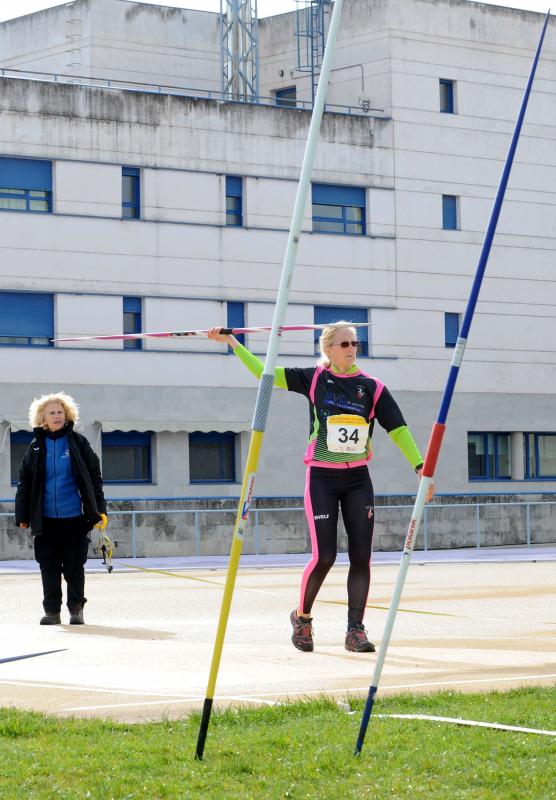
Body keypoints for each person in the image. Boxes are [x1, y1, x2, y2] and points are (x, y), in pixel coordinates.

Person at [207, 322, 434, 654]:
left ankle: (355, 630)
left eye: (354, 343)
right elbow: (263, 374)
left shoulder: (372, 387)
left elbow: (398, 428)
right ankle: (303, 618)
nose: (351, 348)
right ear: (328, 348)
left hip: (358, 479)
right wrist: (232, 343)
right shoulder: (314, 379)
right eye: (344, 343)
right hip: (322, 479)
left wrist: (421, 468)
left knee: (361, 556)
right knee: (325, 556)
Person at [15, 392, 107, 625]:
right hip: (45, 519)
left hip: (74, 517)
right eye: (51, 413)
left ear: (67, 416)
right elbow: (24, 481)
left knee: (74, 565)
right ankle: (52, 611)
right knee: (49, 566)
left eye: (60, 412)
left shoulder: (78, 443)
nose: (57, 416)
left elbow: (94, 477)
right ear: (42, 419)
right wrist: (23, 515)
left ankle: (76, 609)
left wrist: (99, 510)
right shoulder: (36, 447)